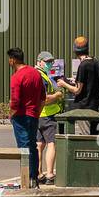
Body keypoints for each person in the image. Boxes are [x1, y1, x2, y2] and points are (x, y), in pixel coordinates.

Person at [7, 47, 44, 188]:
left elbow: (15, 101)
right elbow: (42, 97)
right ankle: (34, 177)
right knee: (33, 146)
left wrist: (10, 115)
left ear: (13, 59)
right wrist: (37, 113)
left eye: (9, 60)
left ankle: (26, 179)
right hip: (33, 115)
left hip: (21, 116)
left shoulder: (16, 77)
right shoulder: (35, 73)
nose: (9, 62)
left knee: (23, 148)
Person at [58, 35, 99, 134]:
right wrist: (75, 80)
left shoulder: (83, 65)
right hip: (95, 106)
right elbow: (91, 81)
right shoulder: (94, 62)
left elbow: (77, 90)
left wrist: (63, 84)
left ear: (75, 51)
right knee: (94, 135)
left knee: (86, 136)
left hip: (84, 107)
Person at [35, 51, 63, 185]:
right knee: (52, 143)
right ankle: (50, 174)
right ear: (39, 62)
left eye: (51, 62)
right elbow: (44, 99)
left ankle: (39, 173)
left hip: (38, 114)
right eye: (47, 62)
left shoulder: (37, 74)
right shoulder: (41, 77)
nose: (50, 64)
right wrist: (58, 95)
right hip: (47, 115)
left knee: (39, 144)